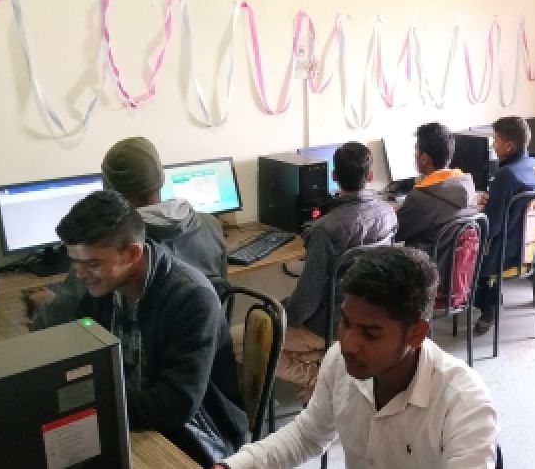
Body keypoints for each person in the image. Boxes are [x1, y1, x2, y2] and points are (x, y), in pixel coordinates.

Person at [215, 247, 499, 469]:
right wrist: (234, 466)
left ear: (416, 334)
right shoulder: (339, 360)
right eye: (345, 322)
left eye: (371, 334)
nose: (348, 344)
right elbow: (307, 435)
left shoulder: (464, 404)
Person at [56, 190, 247, 466]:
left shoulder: (192, 299)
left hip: (199, 434)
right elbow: (86, 360)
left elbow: (176, 405)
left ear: (132, 254)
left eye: (92, 264)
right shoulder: (103, 290)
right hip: (138, 418)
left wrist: (99, 409)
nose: (79, 274)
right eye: (74, 262)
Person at [30, 136, 228, 329]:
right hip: (205, 333)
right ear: (161, 178)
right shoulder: (210, 224)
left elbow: (55, 320)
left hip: (140, 344)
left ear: (108, 190)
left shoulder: (110, 243)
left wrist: (44, 303)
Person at [278, 141, 397, 402]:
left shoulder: (324, 230)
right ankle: (330, 369)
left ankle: (318, 380)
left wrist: (279, 317)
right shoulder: (388, 213)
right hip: (371, 314)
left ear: (333, 176)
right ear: (370, 176)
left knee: (243, 336)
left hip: (330, 325)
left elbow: (304, 305)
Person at [473, 115, 535, 335]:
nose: (493, 145)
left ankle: (488, 307)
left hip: (505, 255)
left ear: (509, 146)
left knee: (469, 247)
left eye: (496, 140)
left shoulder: (506, 175)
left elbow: (492, 226)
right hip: (532, 249)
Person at [396, 122, 477, 246]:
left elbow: (395, 233)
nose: (414, 155)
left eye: (416, 150)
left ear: (424, 158)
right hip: (454, 257)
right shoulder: (467, 185)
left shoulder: (420, 198)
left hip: (423, 258)